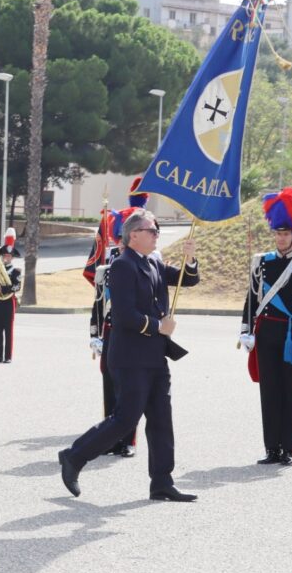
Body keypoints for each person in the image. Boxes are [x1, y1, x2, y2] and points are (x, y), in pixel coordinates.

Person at [58, 210, 200, 501]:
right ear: (134, 234)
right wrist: (159, 326)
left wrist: (191, 259)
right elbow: (124, 315)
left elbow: (186, 280)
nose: (157, 235)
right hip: (130, 357)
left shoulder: (153, 262)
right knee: (125, 419)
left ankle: (161, 482)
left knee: (161, 419)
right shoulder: (123, 265)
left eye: (157, 230)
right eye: (152, 230)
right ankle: (74, 456)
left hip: (155, 356)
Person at [239, 188, 292, 467]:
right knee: (269, 390)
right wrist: (246, 330)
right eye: (278, 233)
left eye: (286, 234)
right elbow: (251, 299)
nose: (281, 238)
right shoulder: (262, 262)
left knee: (290, 390)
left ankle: (288, 448)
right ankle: (271, 448)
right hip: (266, 332)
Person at [89, 236, 137, 457]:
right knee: (109, 385)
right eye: (119, 241)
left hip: (130, 333)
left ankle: (128, 440)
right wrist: (94, 334)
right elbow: (98, 303)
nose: (121, 245)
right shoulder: (106, 270)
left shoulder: (139, 266)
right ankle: (110, 439)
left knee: (128, 388)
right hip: (109, 331)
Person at [0, 228, 22, 364]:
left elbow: (17, 287)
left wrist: (2, 288)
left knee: (8, 331)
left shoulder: (16, 271)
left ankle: (8, 356)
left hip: (9, 302)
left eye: (8, 256)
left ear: (12, 257)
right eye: (4, 256)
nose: (6, 258)